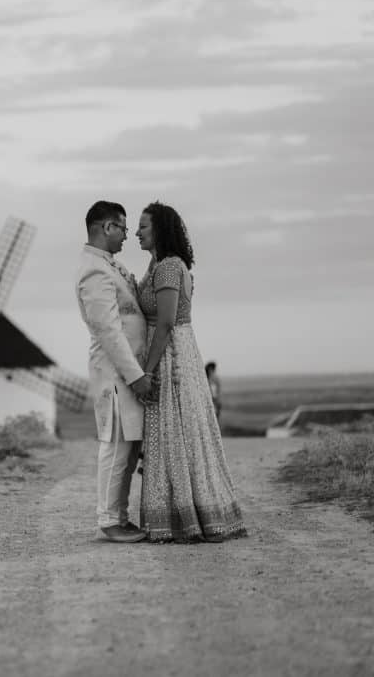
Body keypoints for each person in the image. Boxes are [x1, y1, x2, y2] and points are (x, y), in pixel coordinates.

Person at [134, 201, 245, 543]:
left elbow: (165, 323)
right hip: (172, 348)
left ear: (161, 230)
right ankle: (178, 512)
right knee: (172, 431)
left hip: (171, 356)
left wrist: (147, 371)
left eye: (144, 226)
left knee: (174, 429)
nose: (137, 232)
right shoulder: (157, 265)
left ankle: (185, 515)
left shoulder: (168, 268)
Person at [75, 200, 154, 543]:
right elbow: (108, 330)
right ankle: (109, 519)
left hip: (127, 371)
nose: (127, 234)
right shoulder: (95, 271)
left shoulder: (110, 265)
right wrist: (135, 374)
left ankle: (120, 515)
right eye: (122, 227)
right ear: (107, 227)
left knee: (129, 445)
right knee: (117, 444)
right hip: (115, 373)